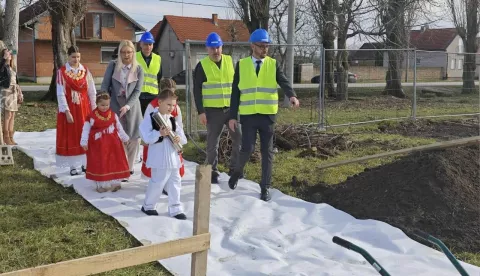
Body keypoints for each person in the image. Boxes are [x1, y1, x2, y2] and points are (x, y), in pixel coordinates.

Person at [228, 29, 300, 202]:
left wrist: (292, 95)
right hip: (248, 116)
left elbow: (283, 81)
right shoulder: (242, 65)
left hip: (267, 116)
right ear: (253, 46)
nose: (265, 49)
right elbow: (235, 93)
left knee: (267, 152)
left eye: (267, 45)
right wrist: (232, 116)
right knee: (247, 149)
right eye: (261, 46)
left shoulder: (273, 64)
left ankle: (265, 187)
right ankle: (237, 172)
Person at [193, 32, 241, 184]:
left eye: (218, 47)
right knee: (212, 142)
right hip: (213, 112)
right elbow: (197, 90)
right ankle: (212, 171)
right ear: (207, 49)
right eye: (212, 48)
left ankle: (234, 168)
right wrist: (201, 111)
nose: (216, 51)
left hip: (231, 110)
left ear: (222, 47)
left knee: (238, 138)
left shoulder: (229, 61)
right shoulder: (202, 66)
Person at [139, 88, 187, 219]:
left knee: (175, 182)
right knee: (157, 182)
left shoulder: (172, 119)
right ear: (159, 102)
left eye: (173, 105)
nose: (171, 108)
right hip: (159, 157)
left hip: (173, 158)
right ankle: (148, 206)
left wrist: (178, 138)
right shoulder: (151, 118)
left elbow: (183, 137)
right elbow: (146, 136)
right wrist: (159, 133)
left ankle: (175, 208)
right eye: (168, 104)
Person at [101, 40, 144, 180]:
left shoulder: (139, 69)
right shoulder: (113, 65)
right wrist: (104, 104)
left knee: (133, 138)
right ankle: (121, 167)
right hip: (115, 105)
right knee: (118, 136)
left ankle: (129, 168)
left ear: (133, 53)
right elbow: (105, 86)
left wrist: (128, 106)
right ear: (119, 53)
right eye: (123, 52)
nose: (126, 55)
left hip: (132, 107)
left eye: (129, 52)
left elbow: (137, 91)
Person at [56, 46, 96, 175]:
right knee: (72, 136)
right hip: (71, 108)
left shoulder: (85, 71)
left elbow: (92, 91)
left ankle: (85, 164)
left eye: (78, 56)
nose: (76, 59)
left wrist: (94, 109)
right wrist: (66, 111)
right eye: (73, 57)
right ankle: (73, 166)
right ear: (68, 57)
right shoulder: (62, 72)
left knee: (85, 134)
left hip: (84, 107)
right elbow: (60, 93)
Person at [80, 93, 130, 192]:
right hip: (98, 145)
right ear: (97, 104)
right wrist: (84, 141)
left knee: (114, 162)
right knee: (101, 163)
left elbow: (119, 127)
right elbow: (86, 129)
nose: (105, 107)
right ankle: (101, 185)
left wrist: (125, 138)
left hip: (113, 144)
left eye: (107, 105)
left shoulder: (113, 114)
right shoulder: (91, 116)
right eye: (102, 105)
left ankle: (115, 183)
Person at [141, 78, 185, 186]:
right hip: (157, 140)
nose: (170, 95)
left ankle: (169, 186)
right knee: (158, 167)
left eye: (172, 92)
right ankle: (156, 186)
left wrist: (179, 138)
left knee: (173, 167)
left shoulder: (175, 107)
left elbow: (179, 124)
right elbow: (147, 122)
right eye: (168, 92)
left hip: (172, 141)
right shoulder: (152, 106)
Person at [136, 31, 163, 115]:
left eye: (150, 44)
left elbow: (159, 76)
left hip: (153, 95)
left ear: (152, 45)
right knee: (139, 121)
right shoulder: (134, 57)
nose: (148, 47)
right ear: (141, 44)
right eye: (145, 44)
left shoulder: (158, 58)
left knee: (152, 121)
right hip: (138, 95)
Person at [0, 48, 23, 146]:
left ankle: (10, 136)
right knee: (8, 115)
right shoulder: (3, 66)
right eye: (6, 54)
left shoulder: (12, 67)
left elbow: (16, 82)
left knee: (12, 115)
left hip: (13, 92)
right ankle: (5, 137)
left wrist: (20, 92)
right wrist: (3, 60)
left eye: (9, 53)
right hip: (6, 92)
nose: (8, 55)